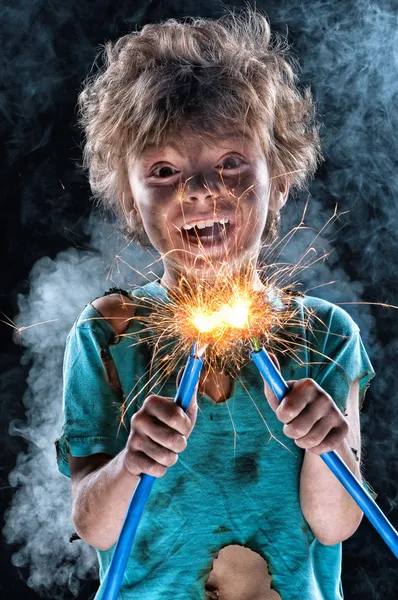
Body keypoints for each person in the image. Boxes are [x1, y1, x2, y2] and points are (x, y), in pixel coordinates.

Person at [55, 8, 375, 599]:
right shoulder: (106, 333)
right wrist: (130, 463)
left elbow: (336, 523)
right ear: (130, 197)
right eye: (164, 170)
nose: (200, 189)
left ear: (277, 178)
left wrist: (328, 446)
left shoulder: (326, 334)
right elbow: (94, 527)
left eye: (230, 162)